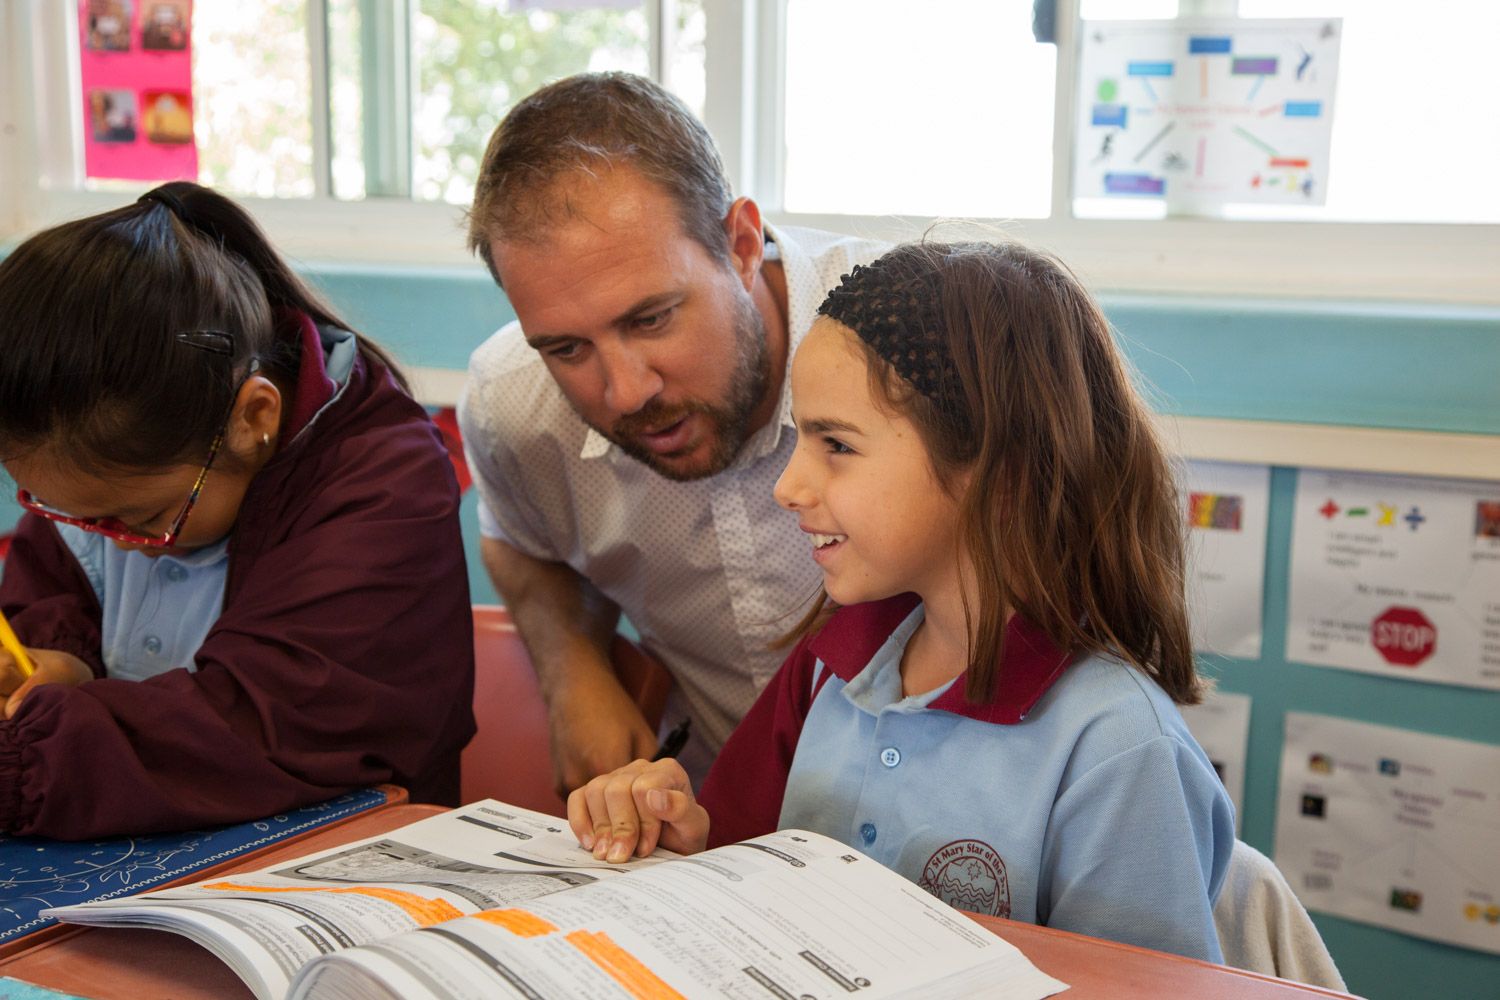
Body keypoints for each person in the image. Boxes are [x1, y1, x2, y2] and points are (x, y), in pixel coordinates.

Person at [566, 240, 1237, 962]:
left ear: (998, 472)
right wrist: (677, 838)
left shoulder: (1117, 750)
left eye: (837, 445)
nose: (788, 487)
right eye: (802, 437)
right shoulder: (831, 665)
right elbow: (733, 879)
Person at [0, 182, 475, 838]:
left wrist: (22, 759)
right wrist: (54, 662)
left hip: (335, 872)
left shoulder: (385, 488)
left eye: (141, 520)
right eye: (67, 513)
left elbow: (259, 727)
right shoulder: (114, 471)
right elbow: (51, 585)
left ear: (254, 418)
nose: (119, 542)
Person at [458, 72, 885, 791]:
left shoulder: (914, 344)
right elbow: (516, 539)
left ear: (742, 243)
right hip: (707, 839)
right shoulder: (515, 406)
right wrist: (572, 671)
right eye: (567, 349)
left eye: (651, 318)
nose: (625, 392)